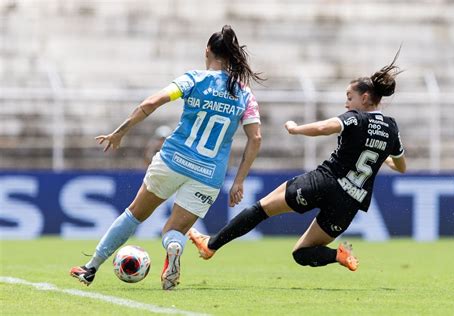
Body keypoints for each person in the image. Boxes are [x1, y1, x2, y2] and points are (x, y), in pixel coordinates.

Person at [70, 25, 263, 290]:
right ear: (232, 56)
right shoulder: (244, 93)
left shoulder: (194, 79)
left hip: (173, 160)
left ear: (207, 50)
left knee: (134, 214)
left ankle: (91, 267)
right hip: (209, 174)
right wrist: (239, 181)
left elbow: (152, 102)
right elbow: (255, 138)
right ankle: (173, 247)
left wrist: (120, 132)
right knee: (173, 231)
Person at [188, 51, 406, 272]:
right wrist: (387, 161)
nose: (347, 103)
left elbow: (324, 128)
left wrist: (295, 129)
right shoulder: (392, 128)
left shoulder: (355, 118)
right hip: (350, 202)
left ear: (365, 98)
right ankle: (338, 256)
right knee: (301, 253)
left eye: (350, 97)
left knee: (261, 209)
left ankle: (211, 245)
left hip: (325, 182)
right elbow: (402, 166)